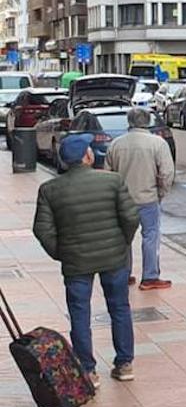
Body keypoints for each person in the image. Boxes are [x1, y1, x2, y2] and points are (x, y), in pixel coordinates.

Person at [32, 134, 140, 386]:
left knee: (79, 313)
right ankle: (124, 364)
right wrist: (122, 242)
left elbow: (42, 229)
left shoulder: (50, 189)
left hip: (76, 261)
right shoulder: (112, 181)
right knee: (120, 308)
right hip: (114, 258)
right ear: (87, 156)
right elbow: (131, 217)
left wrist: (61, 251)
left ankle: (88, 370)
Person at [106, 107, 176, 290]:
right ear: (148, 122)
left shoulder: (116, 144)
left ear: (129, 122)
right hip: (148, 198)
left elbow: (108, 174)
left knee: (123, 238)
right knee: (150, 235)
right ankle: (150, 276)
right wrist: (161, 192)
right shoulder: (158, 144)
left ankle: (124, 273)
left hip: (123, 200)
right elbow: (167, 173)